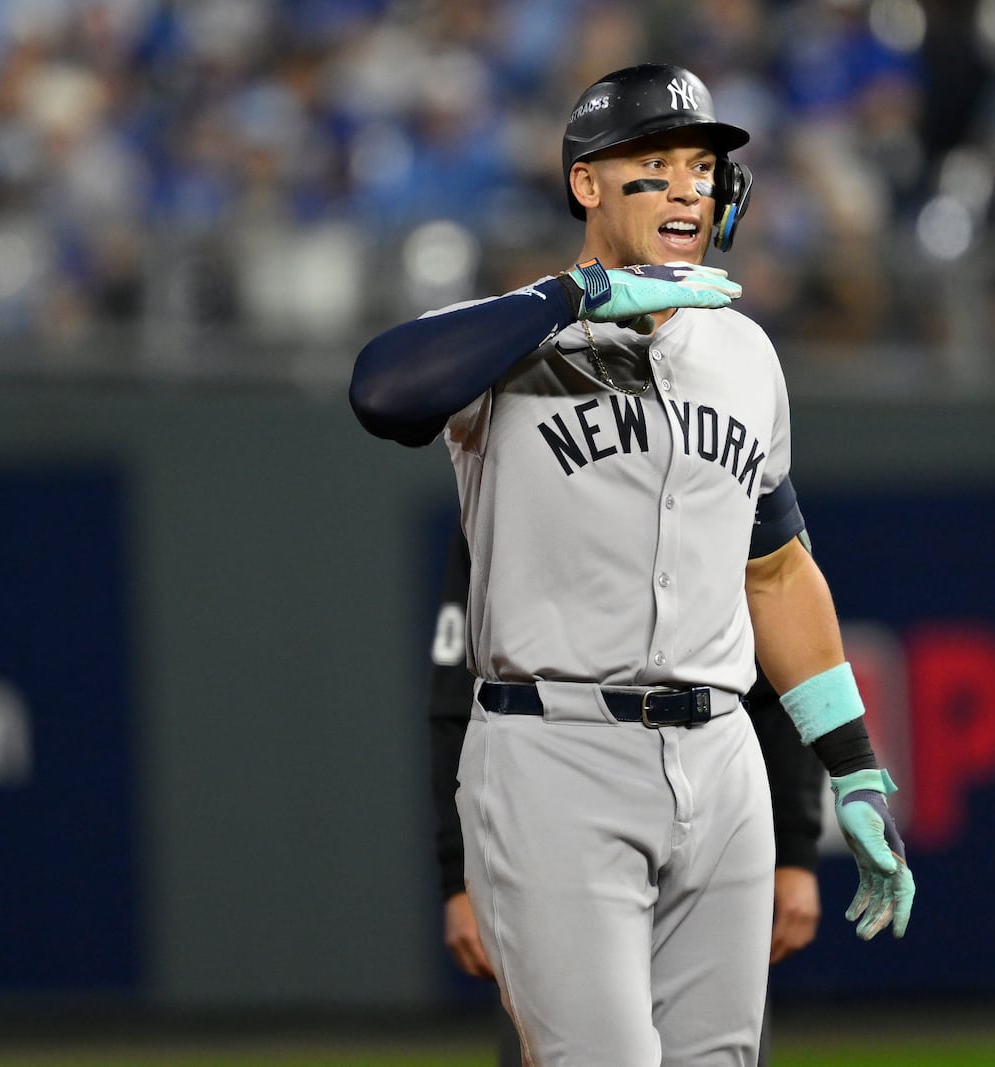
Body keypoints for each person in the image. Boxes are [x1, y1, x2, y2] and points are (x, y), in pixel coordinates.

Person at [350, 63, 915, 1066]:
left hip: (720, 756)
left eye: (701, 166)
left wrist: (855, 761)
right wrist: (576, 294)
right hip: (555, 752)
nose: (688, 187)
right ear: (588, 187)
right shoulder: (511, 338)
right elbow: (382, 388)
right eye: (653, 164)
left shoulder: (743, 353)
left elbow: (777, 572)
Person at [428, 532, 827, 1066]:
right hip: (552, 794)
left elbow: (779, 666)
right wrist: (458, 873)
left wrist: (796, 850)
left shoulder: (710, 466)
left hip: (710, 787)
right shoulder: (516, 480)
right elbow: (460, 691)